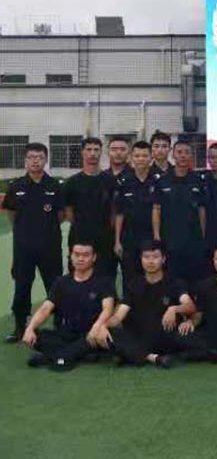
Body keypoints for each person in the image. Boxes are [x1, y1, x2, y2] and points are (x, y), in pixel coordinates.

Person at [105, 240, 202, 368]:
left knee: (195, 339)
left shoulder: (174, 283)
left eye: (155, 257)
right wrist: (104, 325)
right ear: (141, 259)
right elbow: (119, 316)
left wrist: (174, 309)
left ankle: (133, 355)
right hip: (140, 336)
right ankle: (153, 358)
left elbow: (190, 306)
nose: (150, 261)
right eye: (146, 257)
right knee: (110, 333)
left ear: (163, 259)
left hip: (165, 335)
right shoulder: (133, 285)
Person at [2, 143, 64, 343]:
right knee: (22, 287)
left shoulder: (55, 186)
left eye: (39, 157)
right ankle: (21, 327)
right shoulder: (16, 186)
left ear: (46, 160)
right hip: (24, 249)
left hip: (49, 247)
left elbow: (61, 215)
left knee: (55, 286)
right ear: (25, 160)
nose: (35, 161)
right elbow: (11, 213)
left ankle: (61, 325)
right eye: (31, 157)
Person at [23, 241, 116, 371]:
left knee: (103, 338)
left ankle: (51, 358)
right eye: (77, 254)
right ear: (71, 256)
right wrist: (30, 328)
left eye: (86, 255)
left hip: (90, 334)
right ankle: (81, 356)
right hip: (66, 334)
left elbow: (108, 308)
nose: (80, 259)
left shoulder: (104, 281)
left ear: (94, 257)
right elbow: (45, 308)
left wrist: (97, 326)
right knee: (36, 337)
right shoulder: (61, 282)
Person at [152, 140, 207, 282]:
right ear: (173, 154)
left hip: (192, 237)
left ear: (191, 155)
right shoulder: (162, 180)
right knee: (170, 277)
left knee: (194, 277)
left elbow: (201, 209)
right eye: (179, 152)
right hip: (169, 237)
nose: (183, 156)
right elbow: (156, 209)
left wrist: (203, 233)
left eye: (187, 152)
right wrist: (157, 235)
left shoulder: (198, 180)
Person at [64, 137, 116, 278]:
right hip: (79, 237)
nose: (92, 153)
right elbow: (69, 212)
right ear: (82, 152)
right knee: (78, 278)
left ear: (101, 152)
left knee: (106, 276)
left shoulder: (110, 180)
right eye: (88, 149)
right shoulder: (72, 182)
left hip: (105, 239)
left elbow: (114, 212)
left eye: (96, 150)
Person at [114, 140, 161, 289]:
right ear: (131, 158)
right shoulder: (123, 181)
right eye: (137, 156)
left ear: (151, 158)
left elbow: (158, 210)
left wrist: (157, 237)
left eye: (145, 156)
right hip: (129, 238)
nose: (141, 159)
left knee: (152, 275)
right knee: (129, 276)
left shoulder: (158, 180)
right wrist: (117, 241)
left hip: (150, 237)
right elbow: (119, 214)